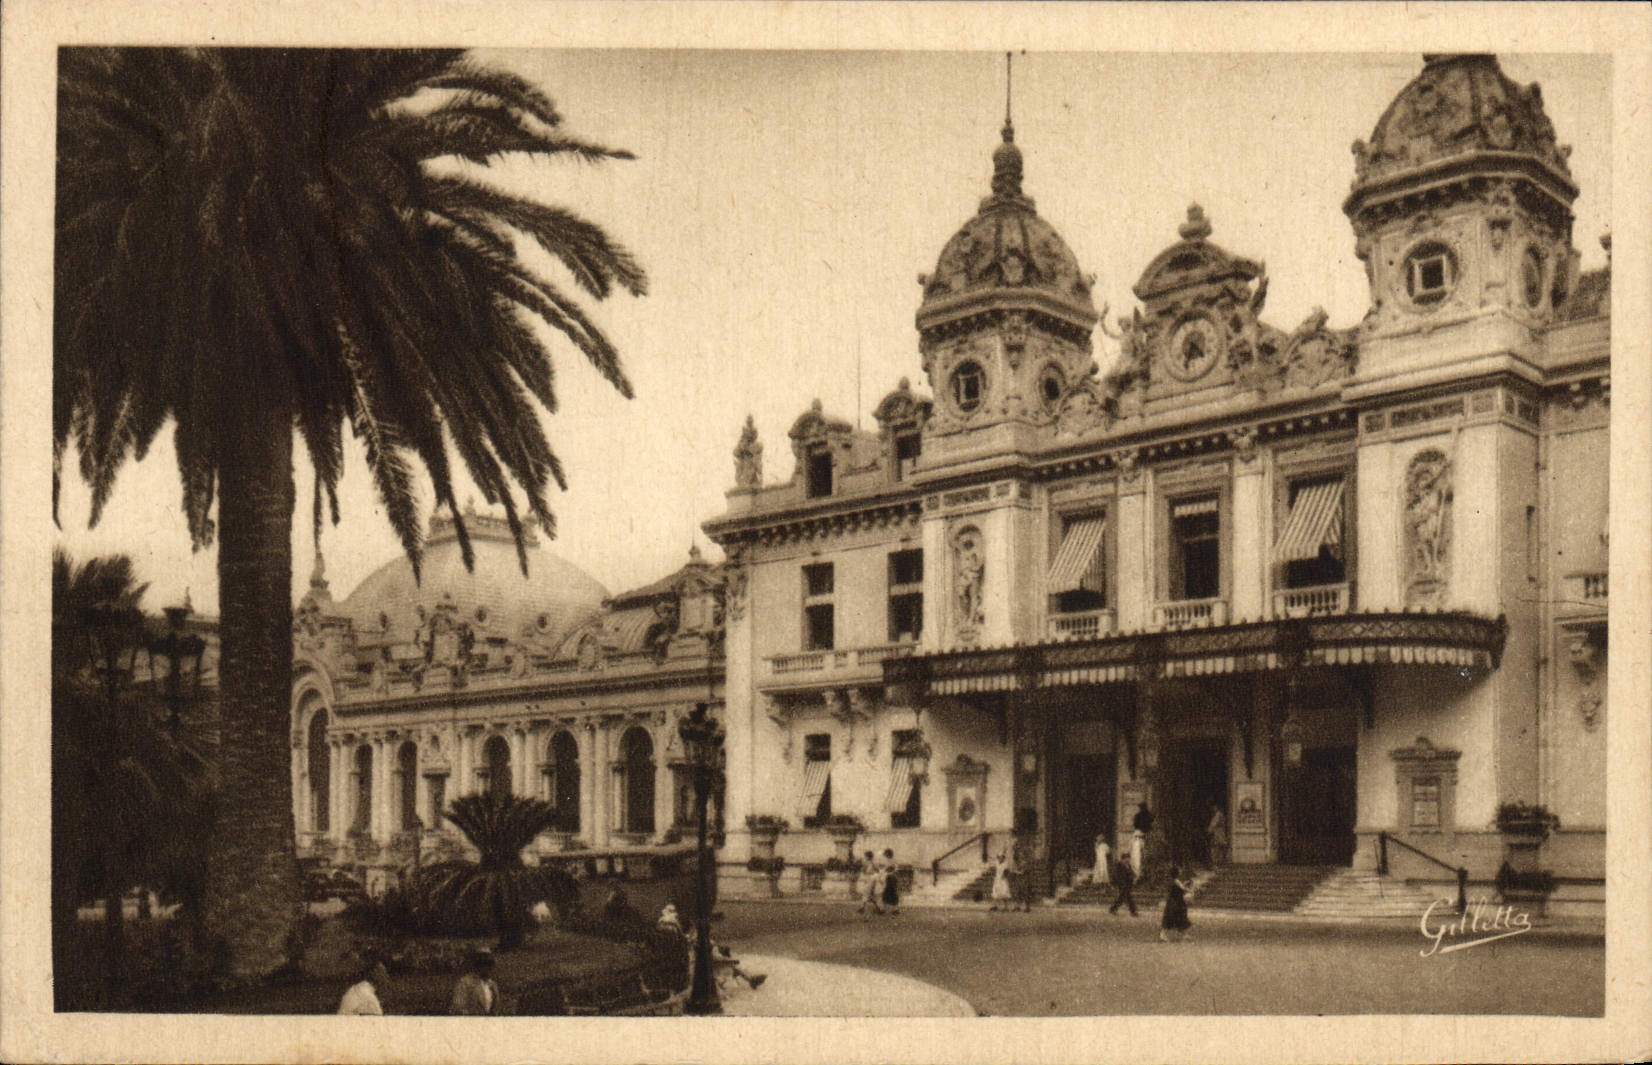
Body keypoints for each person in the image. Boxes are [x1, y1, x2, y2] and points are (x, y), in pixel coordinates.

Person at [450, 949, 502, 1015]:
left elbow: (496, 1008)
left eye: (489, 964)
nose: (486, 967)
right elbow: (458, 1008)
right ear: (477, 965)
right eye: (482, 964)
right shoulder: (465, 983)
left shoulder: (492, 985)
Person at [1160, 866, 1193, 943]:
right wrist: (1189, 889)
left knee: (1174, 919)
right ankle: (1164, 935)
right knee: (1176, 918)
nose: (1180, 871)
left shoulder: (1172, 881)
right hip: (1176, 902)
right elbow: (1182, 889)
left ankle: (1182, 934)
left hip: (1174, 902)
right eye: (1179, 871)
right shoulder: (1176, 881)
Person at [859, 850, 884, 915]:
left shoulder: (871, 863)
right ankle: (878, 908)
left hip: (871, 879)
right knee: (869, 895)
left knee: (866, 893)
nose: (864, 857)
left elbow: (876, 871)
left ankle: (863, 907)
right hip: (870, 879)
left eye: (865, 856)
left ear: (867, 857)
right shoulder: (868, 863)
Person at [1207, 803, 1229, 868]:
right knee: (1220, 847)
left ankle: (1216, 863)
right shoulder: (1219, 814)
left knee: (1216, 848)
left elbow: (1213, 825)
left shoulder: (1218, 815)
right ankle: (1220, 862)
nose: (1213, 808)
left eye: (1214, 807)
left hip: (1217, 833)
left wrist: (1209, 830)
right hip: (1220, 833)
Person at [881, 848, 901, 914]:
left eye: (886, 854)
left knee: (893, 893)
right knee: (886, 893)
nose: (885, 856)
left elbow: (896, 869)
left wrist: (890, 872)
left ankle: (895, 909)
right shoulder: (887, 861)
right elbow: (885, 870)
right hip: (888, 878)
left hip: (892, 878)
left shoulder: (893, 861)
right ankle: (884, 908)